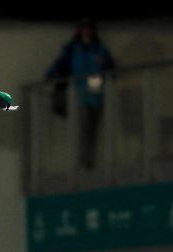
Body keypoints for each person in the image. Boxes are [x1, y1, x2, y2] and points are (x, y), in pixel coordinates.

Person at [46, 18, 116, 169]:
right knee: (82, 127)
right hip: (78, 95)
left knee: (92, 128)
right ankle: (81, 161)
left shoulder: (99, 50)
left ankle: (89, 160)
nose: (86, 31)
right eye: (83, 28)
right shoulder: (72, 49)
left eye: (89, 28)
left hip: (96, 94)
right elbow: (60, 65)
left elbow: (110, 69)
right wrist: (50, 75)